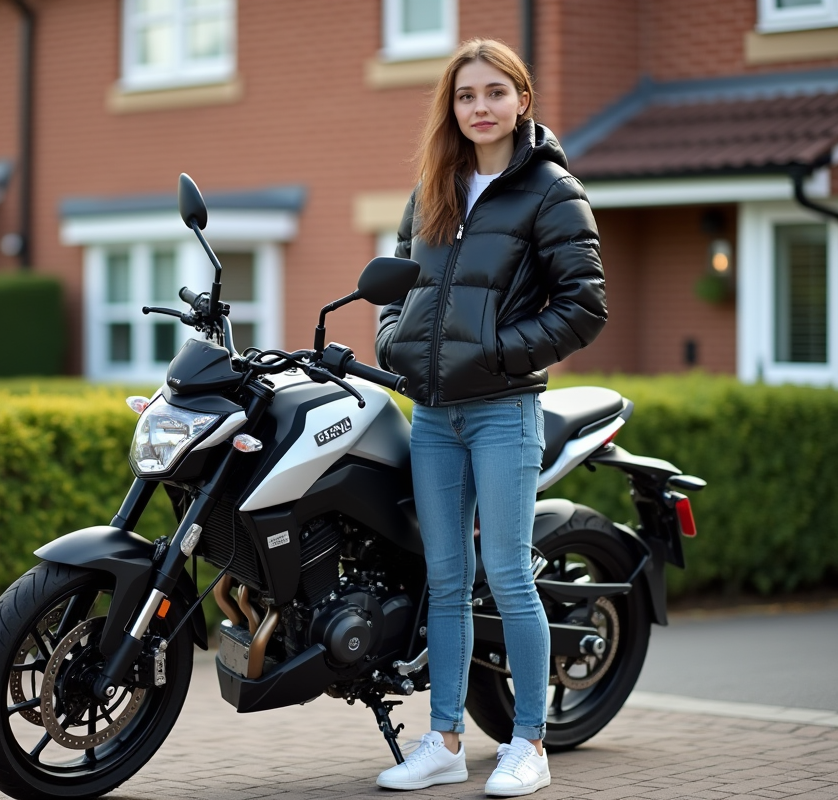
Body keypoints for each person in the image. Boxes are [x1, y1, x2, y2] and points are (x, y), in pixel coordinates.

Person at [373, 38, 607, 796]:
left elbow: (584, 306)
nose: (480, 107)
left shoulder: (551, 190)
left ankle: (528, 743)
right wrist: (392, 342)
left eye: (494, 92)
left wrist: (501, 354)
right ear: (453, 106)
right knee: (445, 579)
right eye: (466, 95)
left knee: (507, 574)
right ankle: (443, 740)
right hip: (434, 417)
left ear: (522, 100)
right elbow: (396, 286)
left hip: (504, 410)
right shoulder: (433, 186)